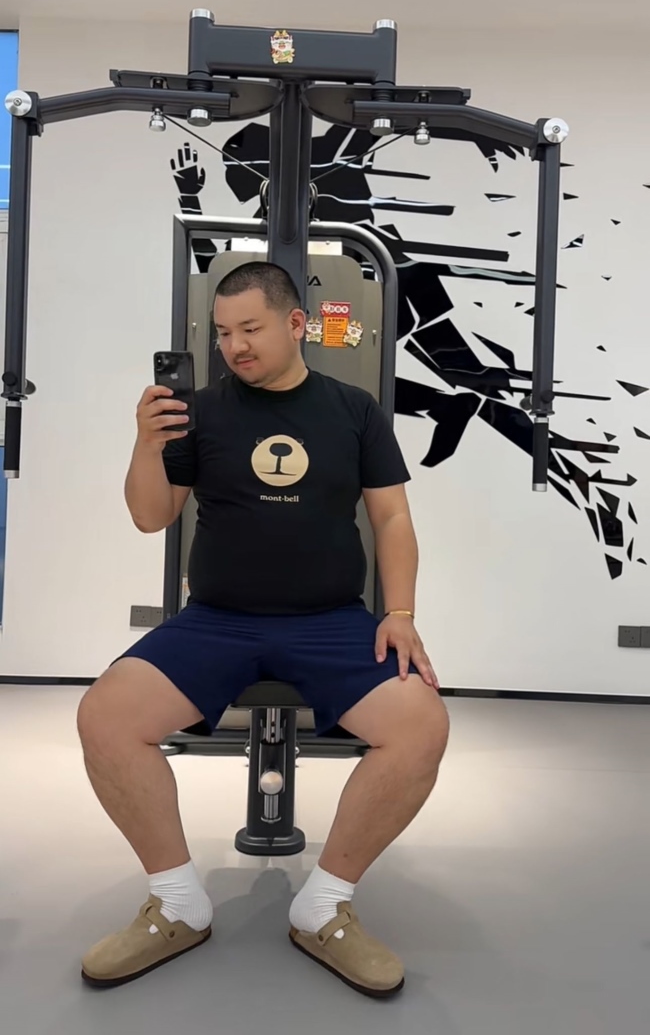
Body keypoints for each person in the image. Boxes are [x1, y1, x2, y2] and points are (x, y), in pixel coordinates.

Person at [77, 261, 450, 998]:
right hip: (218, 620)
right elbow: (151, 515)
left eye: (250, 328)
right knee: (105, 716)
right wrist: (147, 444)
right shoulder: (200, 412)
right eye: (222, 333)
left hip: (330, 621)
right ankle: (177, 903)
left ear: (296, 324)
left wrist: (401, 614)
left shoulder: (354, 410)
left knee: (421, 725)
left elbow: (392, 517)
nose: (234, 346)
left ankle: (324, 906)